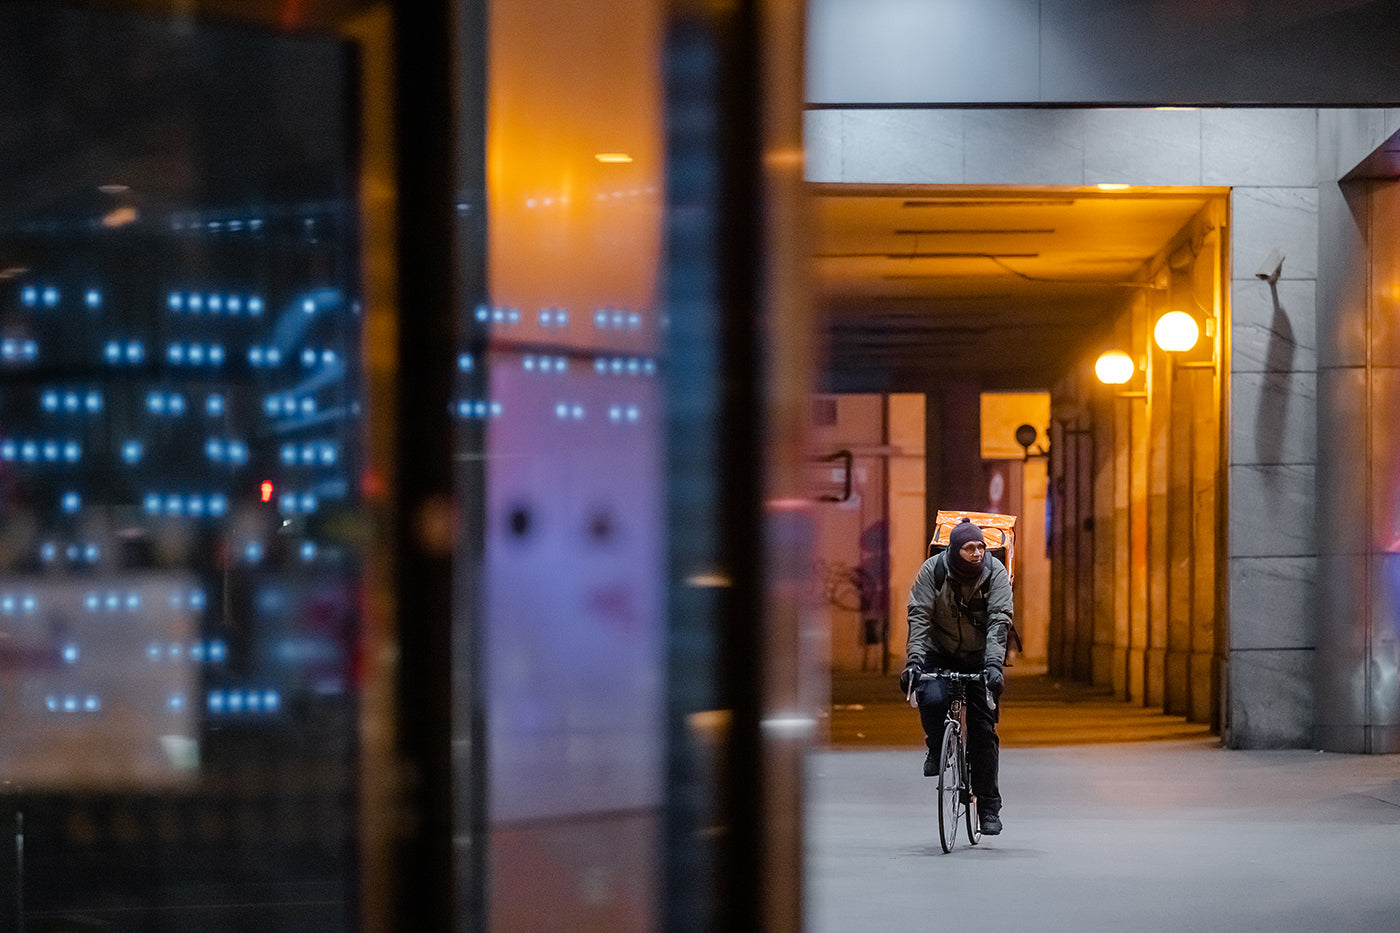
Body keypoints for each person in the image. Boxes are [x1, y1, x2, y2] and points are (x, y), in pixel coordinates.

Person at [899, 517, 1012, 835]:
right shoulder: (933, 571)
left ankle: (989, 808)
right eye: (969, 548)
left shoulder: (995, 573)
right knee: (931, 697)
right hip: (940, 650)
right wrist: (915, 662)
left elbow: (999, 619)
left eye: (980, 547)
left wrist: (993, 665)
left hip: (979, 658)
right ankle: (936, 746)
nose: (977, 553)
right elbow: (919, 614)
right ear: (954, 550)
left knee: (983, 733)